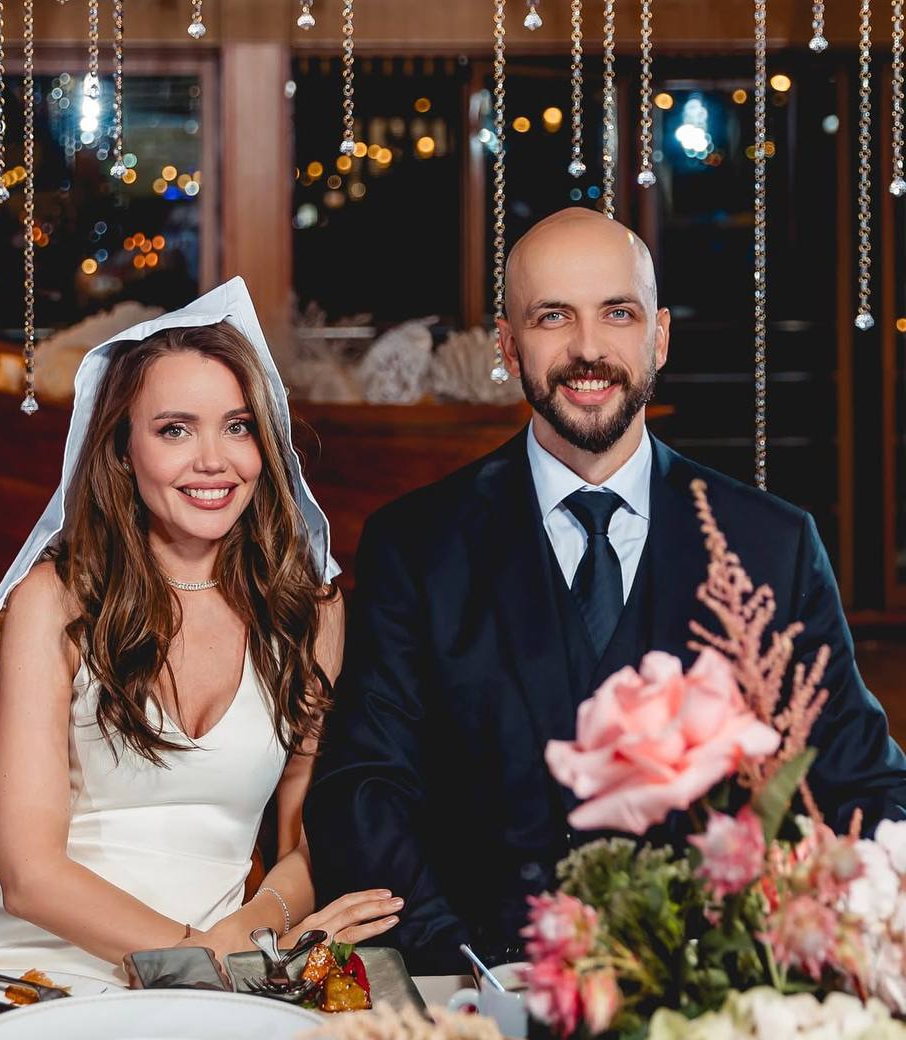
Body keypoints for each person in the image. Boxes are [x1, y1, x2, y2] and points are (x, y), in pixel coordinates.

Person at [304, 209, 906, 974]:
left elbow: (863, 784)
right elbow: (364, 787)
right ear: (508, 345)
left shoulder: (770, 546)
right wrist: (468, 971)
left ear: (659, 336)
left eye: (617, 313)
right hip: (481, 988)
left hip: (711, 989)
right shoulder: (417, 545)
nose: (588, 349)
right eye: (553, 317)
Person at [0, 278, 402, 984]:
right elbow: (29, 877)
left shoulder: (311, 612)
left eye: (238, 426)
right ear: (122, 450)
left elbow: (308, 838)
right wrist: (203, 960)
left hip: (225, 968)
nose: (213, 460)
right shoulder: (56, 601)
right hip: (38, 966)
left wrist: (257, 935)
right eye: (175, 430)